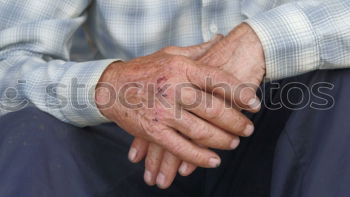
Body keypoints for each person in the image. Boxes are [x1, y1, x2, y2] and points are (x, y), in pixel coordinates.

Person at [0, 0, 349, 196]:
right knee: (30, 131)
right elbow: (7, 59)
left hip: (296, 134)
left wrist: (259, 41)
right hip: (135, 143)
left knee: (340, 85)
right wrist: (109, 86)